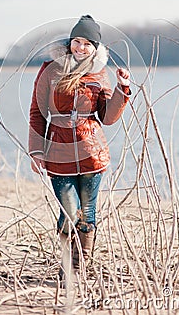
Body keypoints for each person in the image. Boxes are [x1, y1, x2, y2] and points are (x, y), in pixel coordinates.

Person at [28, 15, 131, 276]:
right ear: (70, 42)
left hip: (91, 153)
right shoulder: (50, 69)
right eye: (76, 41)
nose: (80, 47)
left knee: (87, 213)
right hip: (57, 151)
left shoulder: (99, 73)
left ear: (95, 47)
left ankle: (78, 270)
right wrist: (36, 150)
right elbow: (37, 113)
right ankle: (65, 263)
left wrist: (122, 88)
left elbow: (107, 117)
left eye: (87, 43)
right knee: (69, 212)